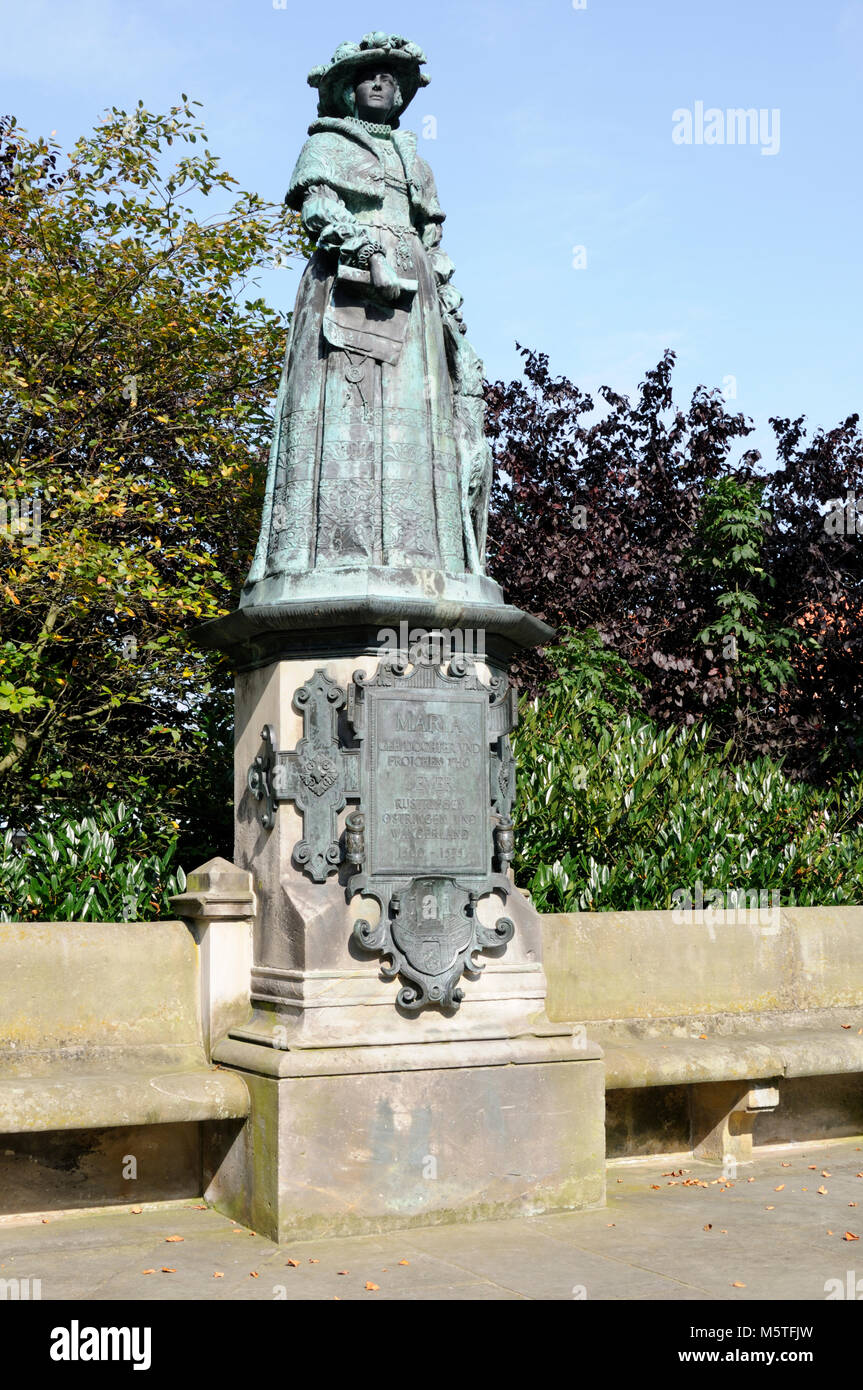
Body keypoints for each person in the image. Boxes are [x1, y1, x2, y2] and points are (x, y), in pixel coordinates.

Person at [245, 31, 492, 606]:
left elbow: (432, 239)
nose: (381, 82)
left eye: (392, 77)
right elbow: (319, 210)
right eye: (369, 74)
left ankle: (421, 559)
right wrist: (366, 252)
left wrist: (449, 310)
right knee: (348, 421)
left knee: (419, 419)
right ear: (348, 89)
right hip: (350, 288)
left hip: (418, 297)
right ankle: (331, 555)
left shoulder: (415, 159)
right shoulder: (327, 146)